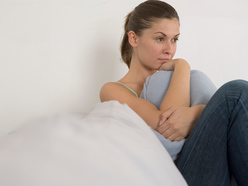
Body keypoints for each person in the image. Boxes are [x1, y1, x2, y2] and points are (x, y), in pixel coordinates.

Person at [100, 0, 248, 185]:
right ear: (134, 39)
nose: (170, 50)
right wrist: (182, 65)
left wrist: (197, 112)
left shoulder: (180, 80)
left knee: (237, 95)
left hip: (215, 168)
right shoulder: (113, 90)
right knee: (235, 93)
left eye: (174, 39)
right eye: (160, 39)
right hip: (180, 176)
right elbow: (169, 124)